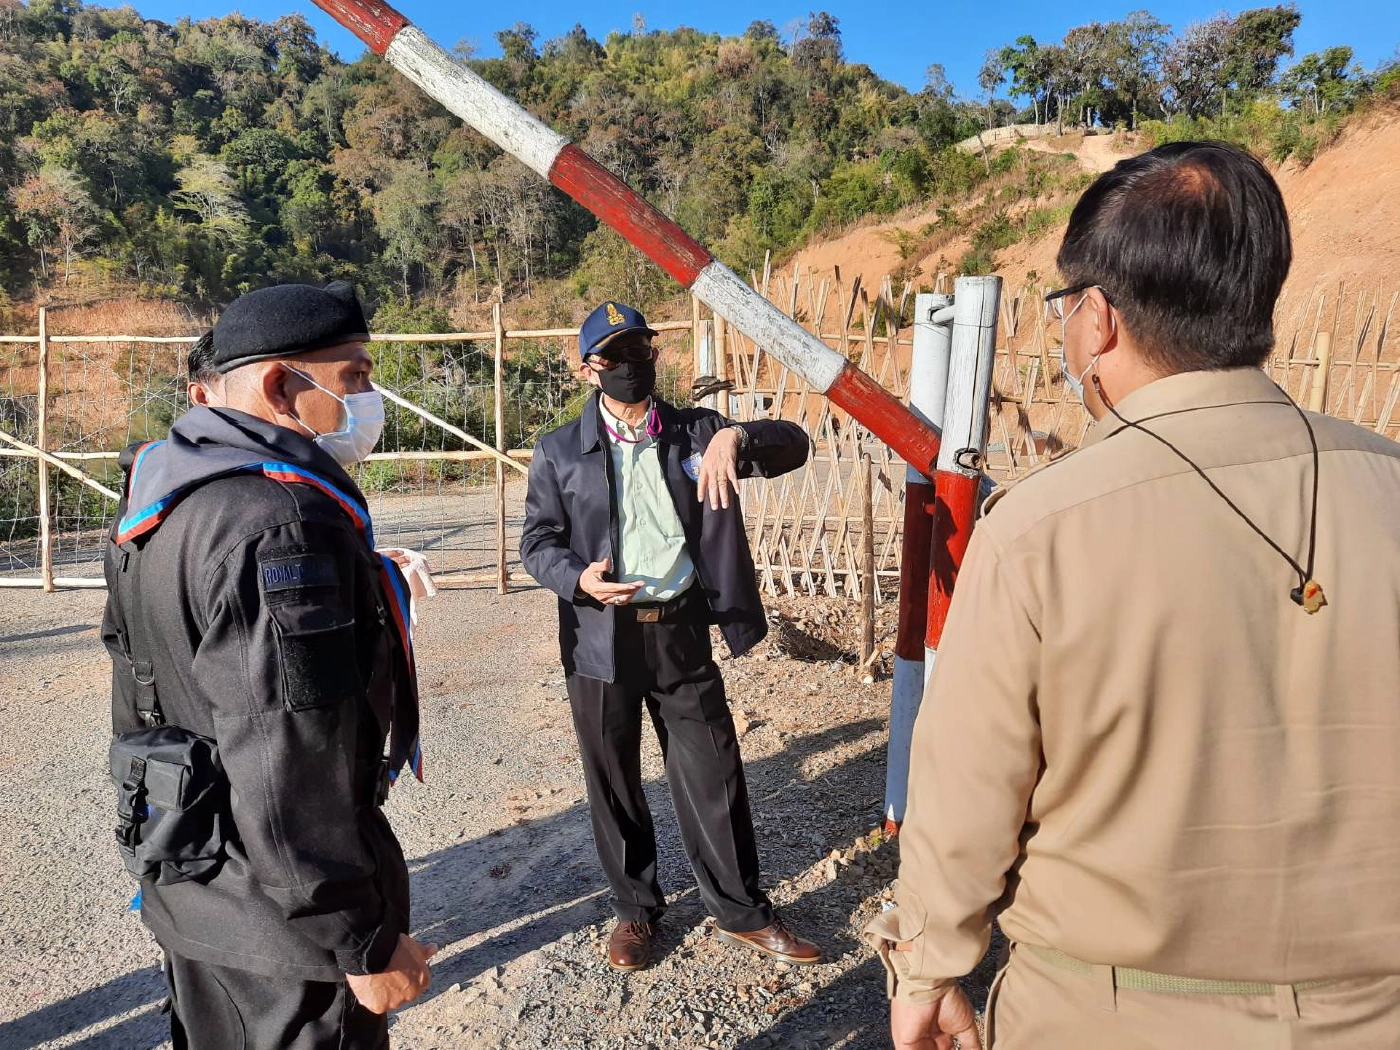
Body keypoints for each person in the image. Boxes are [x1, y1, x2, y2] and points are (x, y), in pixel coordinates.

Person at [866, 141, 1400, 1049]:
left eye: (1064, 306)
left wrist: (927, 968)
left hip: (1107, 1014)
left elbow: (965, 797)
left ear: (1098, 318)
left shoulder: (1040, 531)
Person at [102, 282, 437, 1049]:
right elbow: (292, 761)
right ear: (285, 387)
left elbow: (141, 693)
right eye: (354, 376)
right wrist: (361, 940)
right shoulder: (283, 523)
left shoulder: (159, 494)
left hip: (194, 880)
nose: (368, 396)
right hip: (285, 935)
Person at [521, 300, 821, 972]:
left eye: (643, 353)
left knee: (713, 771)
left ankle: (742, 912)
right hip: (601, 638)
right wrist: (577, 578)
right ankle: (635, 911)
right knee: (614, 781)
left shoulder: (696, 432)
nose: (633, 367)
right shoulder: (558, 451)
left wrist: (737, 436)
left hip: (680, 629)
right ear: (588, 369)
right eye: (616, 356)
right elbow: (536, 543)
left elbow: (796, 444)